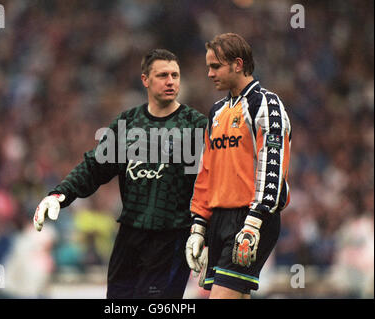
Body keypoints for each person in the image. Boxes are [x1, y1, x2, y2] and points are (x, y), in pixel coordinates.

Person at [33, 49, 207, 298]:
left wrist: (205, 233)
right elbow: (94, 166)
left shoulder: (196, 126)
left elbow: (211, 183)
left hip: (171, 238)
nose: (170, 81)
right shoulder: (129, 123)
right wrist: (60, 193)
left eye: (175, 75)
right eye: (162, 75)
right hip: (129, 239)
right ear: (145, 80)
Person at [185, 33, 292, 299]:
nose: (209, 74)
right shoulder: (217, 111)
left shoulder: (265, 103)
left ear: (238, 64)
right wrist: (199, 226)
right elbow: (206, 171)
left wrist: (255, 221)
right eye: (208, 67)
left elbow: (273, 164)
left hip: (250, 216)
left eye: (215, 66)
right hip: (219, 219)